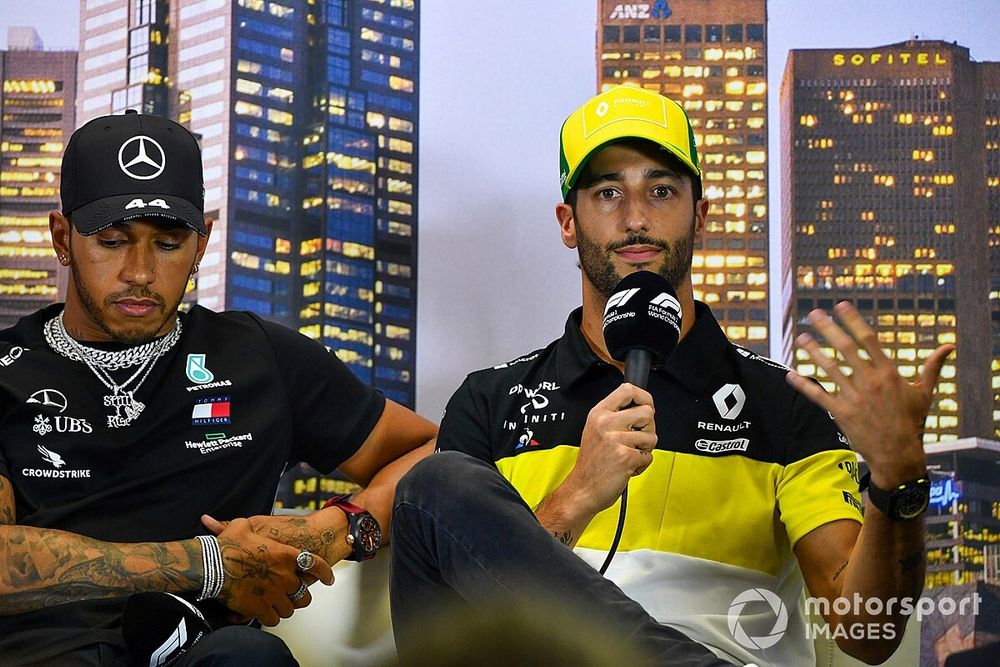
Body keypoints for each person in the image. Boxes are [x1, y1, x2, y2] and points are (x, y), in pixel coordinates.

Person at [389, 86, 952, 666]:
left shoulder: (783, 405)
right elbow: (456, 637)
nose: (635, 219)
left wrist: (897, 480)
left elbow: (867, 634)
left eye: (661, 191)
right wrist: (579, 495)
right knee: (433, 488)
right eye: (608, 193)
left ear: (699, 215)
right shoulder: (491, 402)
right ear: (567, 222)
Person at [0, 110, 436, 666]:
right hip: (42, 653)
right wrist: (209, 565)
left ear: (201, 243)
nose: (139, 271)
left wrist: (339, 527)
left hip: (205, 653)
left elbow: (434, 455)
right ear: (62, 238)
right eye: (112, 241)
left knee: (248, 656)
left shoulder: (258, 356)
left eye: (167, 243)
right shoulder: (7, 369)